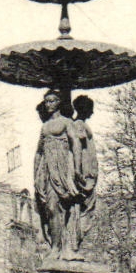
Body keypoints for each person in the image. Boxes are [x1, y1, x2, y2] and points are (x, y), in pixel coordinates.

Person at [32, 89, 81, 254]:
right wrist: (35, 176)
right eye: (46, 101)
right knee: (51, 208)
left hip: (62, 169)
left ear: (59, 102)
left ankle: (64, 247)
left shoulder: (66, 122)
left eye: (52, 101)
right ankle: (56, 246)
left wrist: (76, 169)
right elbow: (39, 152)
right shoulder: (44, 127)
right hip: (47, 170)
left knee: (63, 208)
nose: (49, 104)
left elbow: (76, 145)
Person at [69, 95, 100, 255]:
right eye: (90, 108)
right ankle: (74, 244)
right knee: (84, 212)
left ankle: (74, 244)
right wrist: (78, 171)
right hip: (85, 177)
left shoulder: (79, 124)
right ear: (84, 109)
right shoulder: (79, 125)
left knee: (84, 212)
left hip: (87, 176)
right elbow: (78, 148)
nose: (92, 112)